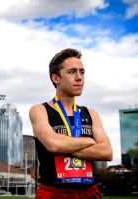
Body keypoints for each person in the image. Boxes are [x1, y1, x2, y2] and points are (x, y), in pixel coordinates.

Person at [29, 48, 113, 199]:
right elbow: (53, 145)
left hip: (89, 191)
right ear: (56, 78)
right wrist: (89, 141)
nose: (80, 77)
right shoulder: (40, 110)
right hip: (54, 191)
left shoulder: (91, 114)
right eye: (72, 72)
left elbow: (106, 152)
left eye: (82, 72)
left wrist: (64, 145)